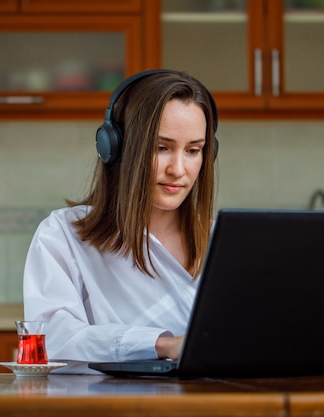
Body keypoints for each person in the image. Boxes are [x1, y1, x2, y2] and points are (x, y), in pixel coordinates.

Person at [23, 69, 218, 373]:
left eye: (193, 150)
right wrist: (163, 345)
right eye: (161, 147)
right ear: (115, 147)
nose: (178, 169)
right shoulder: (62, 235)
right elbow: (52, 337)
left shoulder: (220, 239)